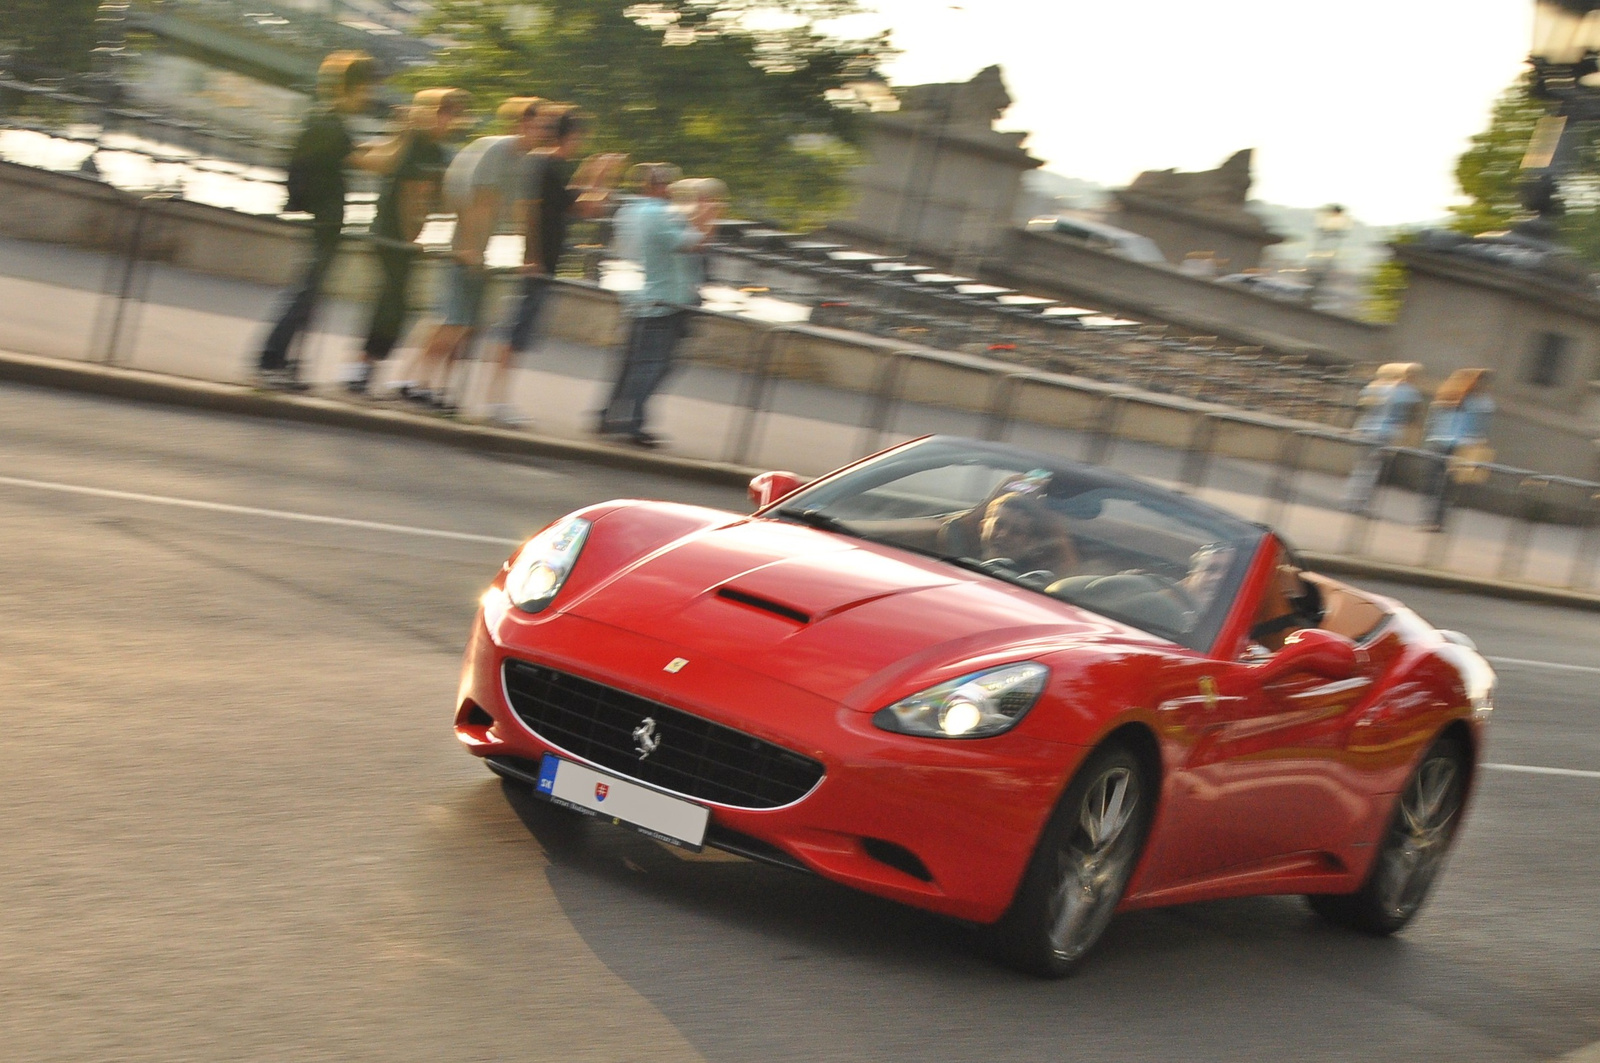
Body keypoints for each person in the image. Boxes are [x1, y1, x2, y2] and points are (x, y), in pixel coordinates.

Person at [393, 96, 546, 412]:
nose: (545, 131)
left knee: (458, 324)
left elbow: (518, 210)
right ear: (522, 123)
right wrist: (470, 249)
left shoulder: (520, 158)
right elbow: (476, 202)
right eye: (541, 125)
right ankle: (412, 381)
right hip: (466, 246)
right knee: (453, 323)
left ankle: (428, 385)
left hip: (481, 247)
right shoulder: (498, 152)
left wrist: (526, 254)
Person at [477, 108, 626, 426]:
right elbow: (543, 209)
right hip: (538, 264)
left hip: (542, 262)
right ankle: (495, 401)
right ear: (571, 136)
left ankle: (496, 399)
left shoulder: (549, 166)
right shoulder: (544, 165)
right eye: (579, 138)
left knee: (515, 335)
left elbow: (575, 205)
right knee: (514, 335)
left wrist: (592, 175)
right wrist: (531, 256)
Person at [254, 51, 377, 391]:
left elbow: (358, 153)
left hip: (322, 220)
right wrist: (406, 136)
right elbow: (369, 162)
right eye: (367, 88)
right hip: (324, 222)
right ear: (353, 87)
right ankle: (271, 361)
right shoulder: (332, 124)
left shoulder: (328, 120)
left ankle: (285, 364)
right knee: (305, 295)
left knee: (308, 295)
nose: (370, 96)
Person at [344, 87, 470, 395]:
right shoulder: (411, 144)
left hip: (408, 240)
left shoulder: (438, 153)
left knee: (398, 306)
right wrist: (408, 238)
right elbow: (389, 178)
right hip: (389, 235)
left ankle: (367, 366)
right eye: (444, 113)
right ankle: (360, 366)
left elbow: (440, 200)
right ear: (431, 113)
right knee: (390, 303)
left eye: (453, 114)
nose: (449, 120)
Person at [595, 162, 718, 447]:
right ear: (661, 186)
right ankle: (632, 422)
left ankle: (607, 416)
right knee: (654, 365)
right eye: (669, 185)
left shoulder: (630, 211)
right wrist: (707, 215)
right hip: (665, 299)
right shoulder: (659, 215)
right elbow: (693, 243)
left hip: (638, 295)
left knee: (630, 364)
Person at [1341, 362, 1424, 514]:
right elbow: (1411, 415)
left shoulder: (1374, 387)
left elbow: (1362, 408)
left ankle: (1349, 500)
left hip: (1365, 428)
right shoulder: (1408, 392)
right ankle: (1361, 504)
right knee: (1372, 469)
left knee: (1360, 467)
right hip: (1385, 432)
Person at [1419, 368, 1495, 532]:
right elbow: (1481, 428)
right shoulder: (1481, 402)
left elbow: (1433, 419)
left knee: (1434, 482)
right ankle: (1436, 520)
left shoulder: (1448, 395)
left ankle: (1430, 518)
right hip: (1460, 446)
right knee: (1447, 485)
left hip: (1440, 441)